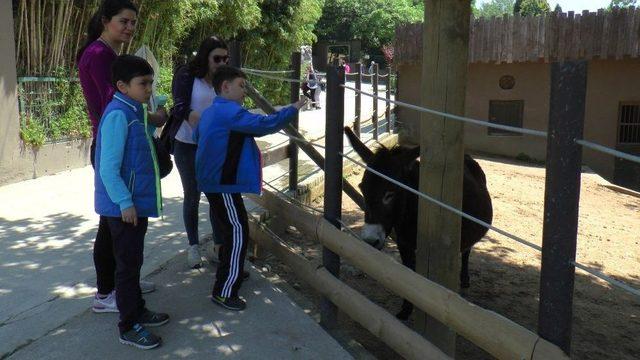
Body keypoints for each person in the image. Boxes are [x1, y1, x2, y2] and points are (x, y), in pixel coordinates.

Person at [77, 0, 165, 311]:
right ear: (105, 21)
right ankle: (107, 293)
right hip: (114, 143)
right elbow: (113, 104)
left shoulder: (109, 53)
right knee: (111, 224)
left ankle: (123, 285)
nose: (129, 28)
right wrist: (150, 117)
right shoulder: (99, 55)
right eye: (123, 21)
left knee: (114, 225)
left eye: (133, 23)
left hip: (117, 140)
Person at [194, 66, 307, 310]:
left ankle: (231, 272)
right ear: (226, 87)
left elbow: (199, 138)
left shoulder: (212, 111)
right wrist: (295, 107)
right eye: (241, 86)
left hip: (214, 181)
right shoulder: (229, 113)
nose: (245, 91)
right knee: (237, 231)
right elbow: (266, 124)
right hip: (222, 183)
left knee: (230, 230)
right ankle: (224, 291)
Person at [94, 54, 169, 349]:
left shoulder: (134, 110)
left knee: (134, 260)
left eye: (150, 82)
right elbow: (108, 168)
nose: (148, 88)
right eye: (143, 83)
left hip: (134, 203)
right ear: (122, 86)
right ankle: (128, 325)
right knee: (126, 265)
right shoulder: (117, 114)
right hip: (124, 207)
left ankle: (137, 309)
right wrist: (125, 202)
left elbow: (140, 143)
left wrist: (153, 123)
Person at [167, 36, 228, 269]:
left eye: (225, 58)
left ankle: (218, 246)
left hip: (214, 145)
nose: (221, 63)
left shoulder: (224, 80)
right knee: (192, 194)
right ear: (205, 57)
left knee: (216, 195)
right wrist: (203, 125)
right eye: (217, 58)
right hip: (187, 144)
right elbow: (180, 107)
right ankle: (193, 246)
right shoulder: (186, 74)